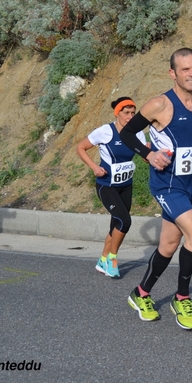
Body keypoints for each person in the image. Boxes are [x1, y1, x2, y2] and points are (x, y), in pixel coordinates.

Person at [118, 47, 192, 331]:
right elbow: (126, 132)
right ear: (172, 73)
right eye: (185, 69)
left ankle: (140, 294)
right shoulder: (160, 105)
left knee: (168, 245)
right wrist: (148, 155)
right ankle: (182, 297)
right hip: (166, 185)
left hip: (190, 185)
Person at [75, 97, 146, 279]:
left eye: (133, 113)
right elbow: (81, 148)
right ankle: (113, 260)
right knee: (125, 221)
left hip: (126, 185)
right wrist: (94, 167)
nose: (130, 116)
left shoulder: (137, 133)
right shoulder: (105, 131)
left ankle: (103, 260)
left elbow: (145, 154)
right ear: (117, 113)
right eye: (126, 113)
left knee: (117, 224)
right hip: (107, 186)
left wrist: (156, 155)